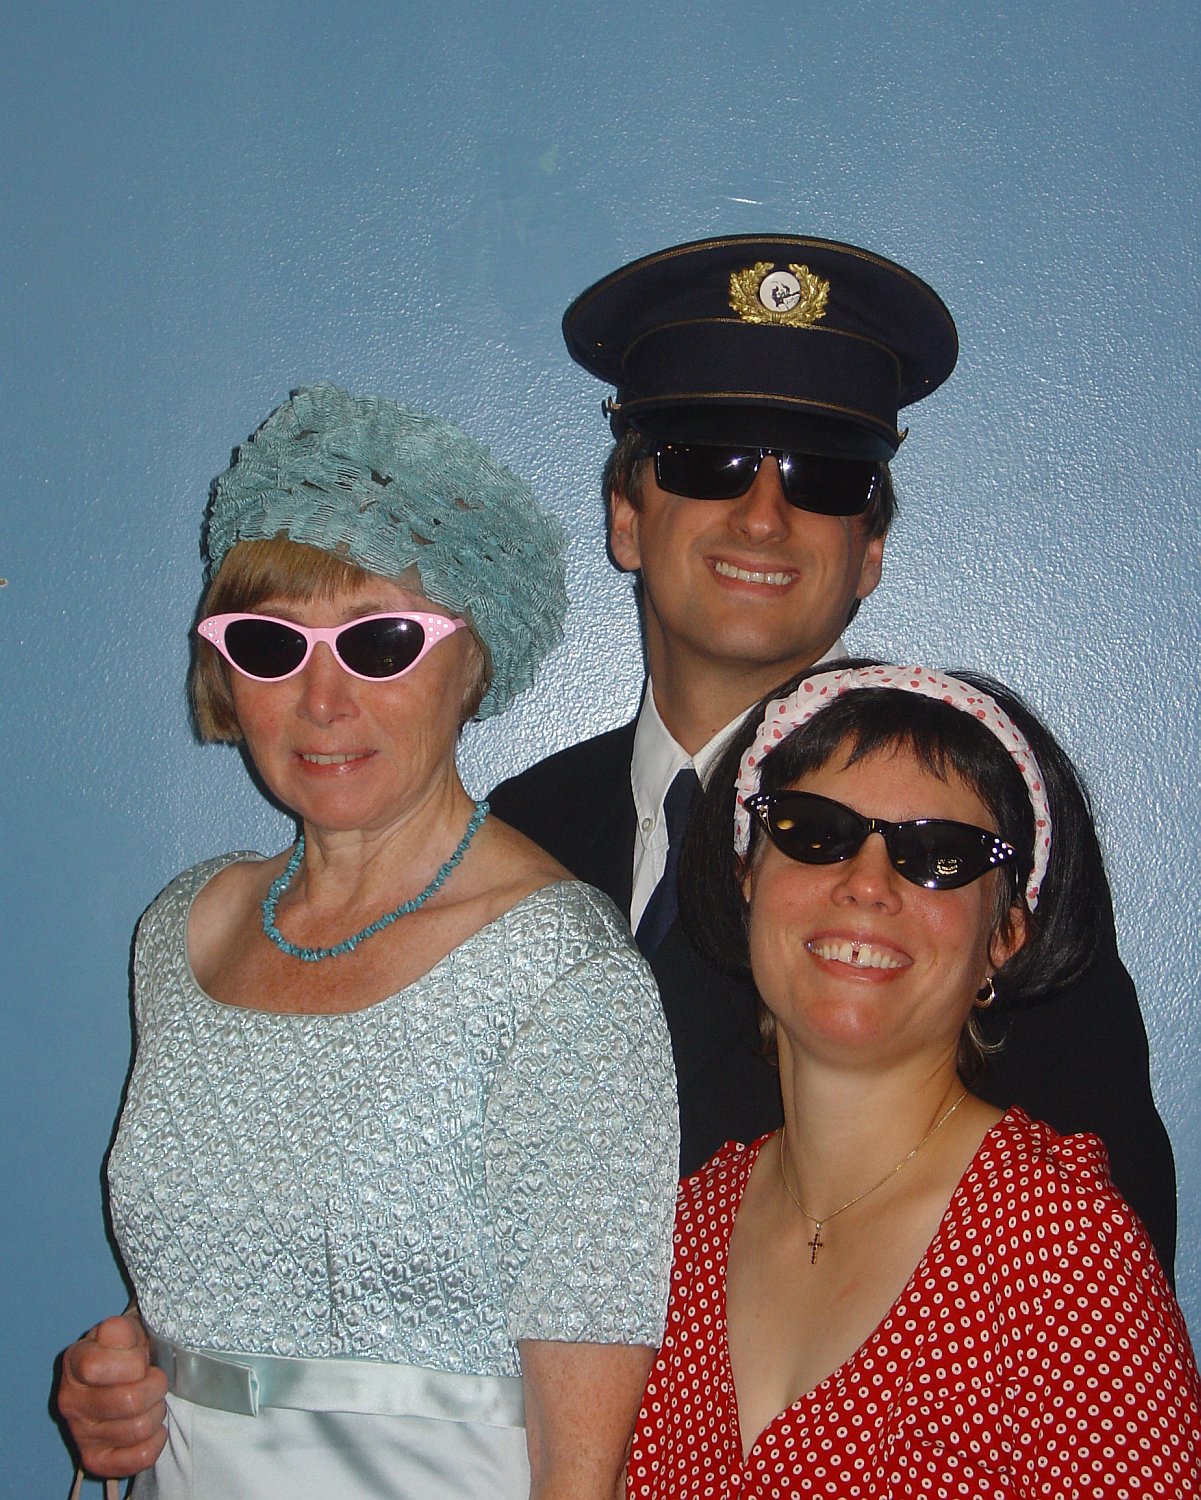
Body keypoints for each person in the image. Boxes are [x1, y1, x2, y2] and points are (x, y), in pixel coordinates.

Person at [489, 233, 1177, 1266]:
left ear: (871, 552)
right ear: (625, 517)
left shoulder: (965, 835)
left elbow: (1102, 1259)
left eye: (824, 476)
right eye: (707, 460)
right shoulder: (521, 826)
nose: (763, 517)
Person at [56, 383, 679, 1499]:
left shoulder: (565, 976)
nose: (321, 701)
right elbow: (224, 1291)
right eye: (268, 643)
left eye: (381, 641)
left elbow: (584, 1458)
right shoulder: (184, 933)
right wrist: (127, 1380)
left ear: (474, 660)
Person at [626, 660, 1201, 1498]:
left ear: (1003, 935)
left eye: (938, 855)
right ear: (748, 880)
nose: (866, 883)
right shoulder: (671, 1237)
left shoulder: (1062, 1256)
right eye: (813, 831)